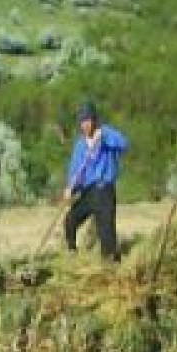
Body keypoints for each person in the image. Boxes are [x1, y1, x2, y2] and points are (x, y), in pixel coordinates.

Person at [63, 100, 128, 261]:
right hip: (88, 192)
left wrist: (104, 135)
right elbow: (75, 171)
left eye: (88, 121)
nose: (85, 125)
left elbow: (124, 144)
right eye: (82, 122)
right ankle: (72, 252)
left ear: (94, 120)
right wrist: (70, 187)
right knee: (70, 220)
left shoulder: (105, 134)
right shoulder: (80, 145)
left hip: (104, 190)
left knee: (106, 234)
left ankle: (111, 264)